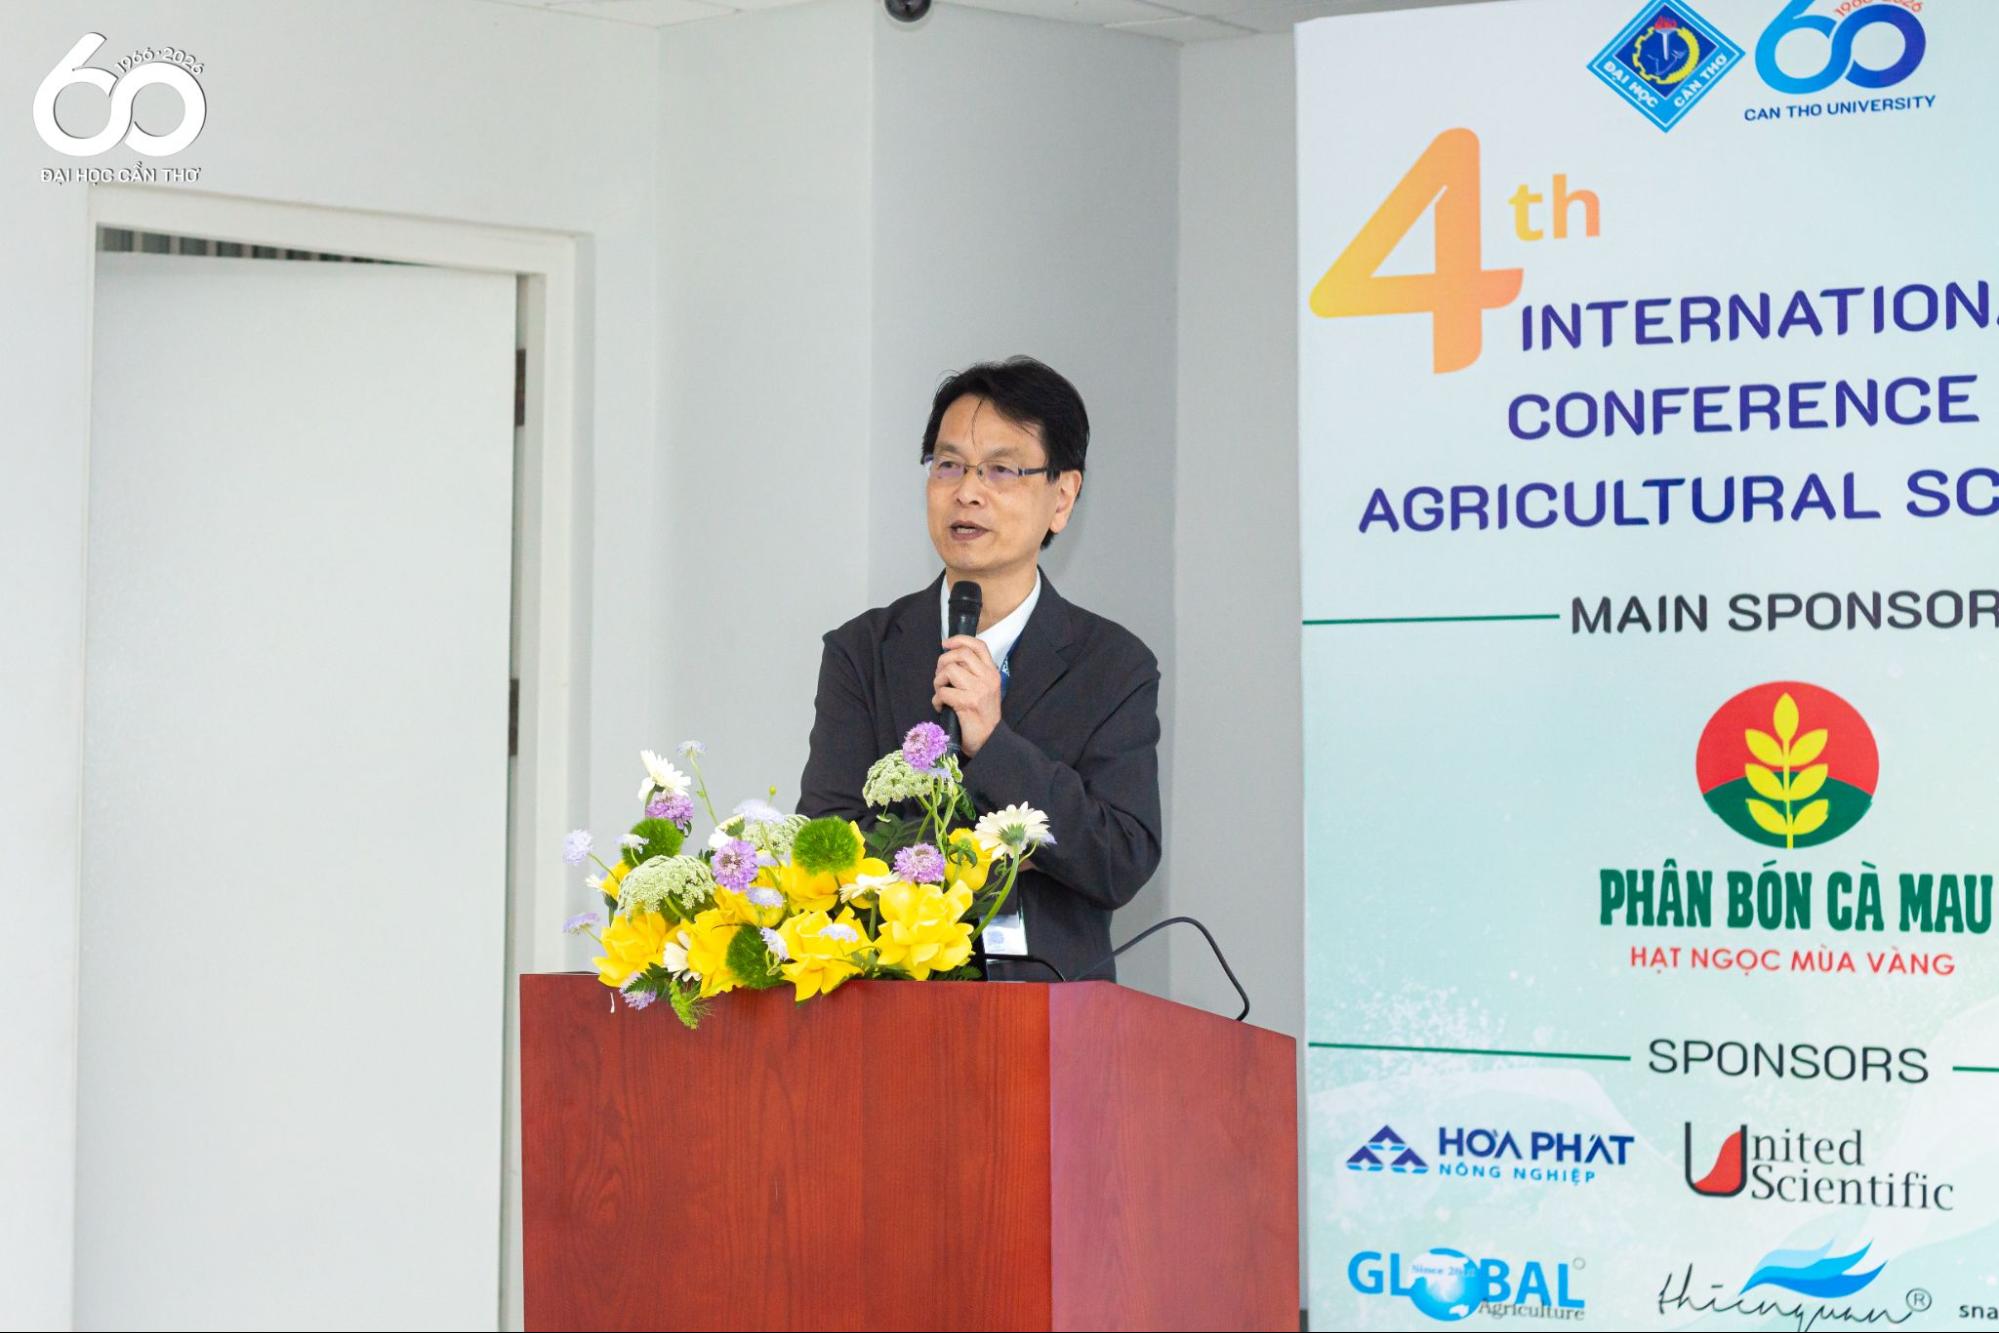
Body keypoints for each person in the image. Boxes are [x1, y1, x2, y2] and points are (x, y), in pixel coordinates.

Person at [796, 356, 1162, 982]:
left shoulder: (1112, 665)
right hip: (890, 1003)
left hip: (1049, 1013)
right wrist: (1013, 854)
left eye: (1000, 469)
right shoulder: (862, 651)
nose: (967, 491)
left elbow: (1118, 859)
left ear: (1062, 497)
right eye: (948, 465)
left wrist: (994, 743)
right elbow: (831, 841)